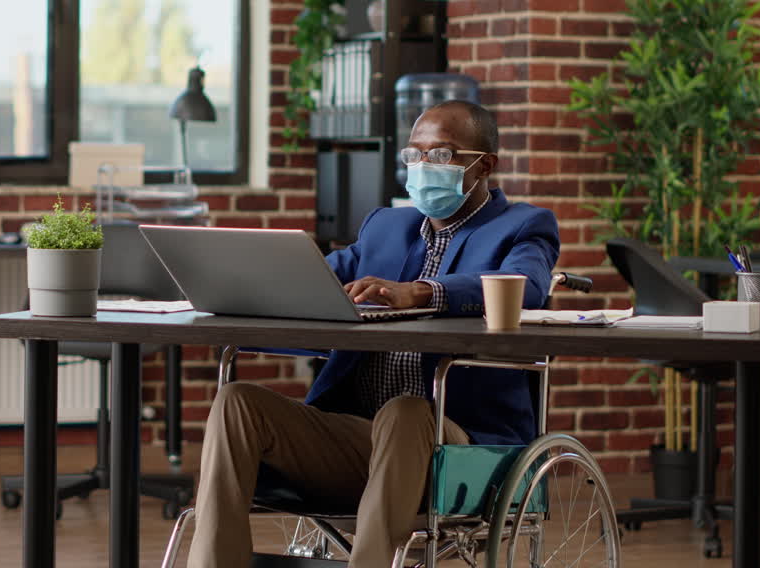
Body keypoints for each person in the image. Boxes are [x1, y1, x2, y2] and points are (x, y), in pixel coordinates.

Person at [187, 100, 560, 567]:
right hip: (354, 437)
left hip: (456, 444)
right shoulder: (386, 226)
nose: (423, 167)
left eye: (441, 156)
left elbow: (527, 288)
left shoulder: (522, 226)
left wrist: (422, 292)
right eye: (414, 155)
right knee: (236, 403)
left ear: (484, 164)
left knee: (404, 413)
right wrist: (224, 283)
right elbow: (309, 281)